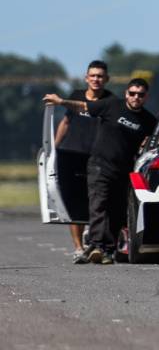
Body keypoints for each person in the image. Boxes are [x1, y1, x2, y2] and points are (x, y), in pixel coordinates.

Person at [44, 78, 157, 265]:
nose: (136, 97)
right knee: (98, 205)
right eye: (132, 93)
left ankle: (107, 250)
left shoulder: (148, 120)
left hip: (123, 170)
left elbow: (155, 141)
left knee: (117, 212)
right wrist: (61, 101)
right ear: (126, 94)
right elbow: (84, 106)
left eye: (140, 95)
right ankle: (97, 245)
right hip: (99, 165)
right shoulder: (112, 106)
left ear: (146, 97)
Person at [53, 60, 113, 263]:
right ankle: (78, 248)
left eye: (100, 76)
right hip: (71, 153)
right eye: (93, 75)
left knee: (97, 201)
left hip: (98, 157)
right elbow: (66, 122)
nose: (96, 79)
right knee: (74, 202)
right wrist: (54, 147)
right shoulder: (76, 96)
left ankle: (96, 241)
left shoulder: (111, 100)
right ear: (87, 78)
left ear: (106, 79)